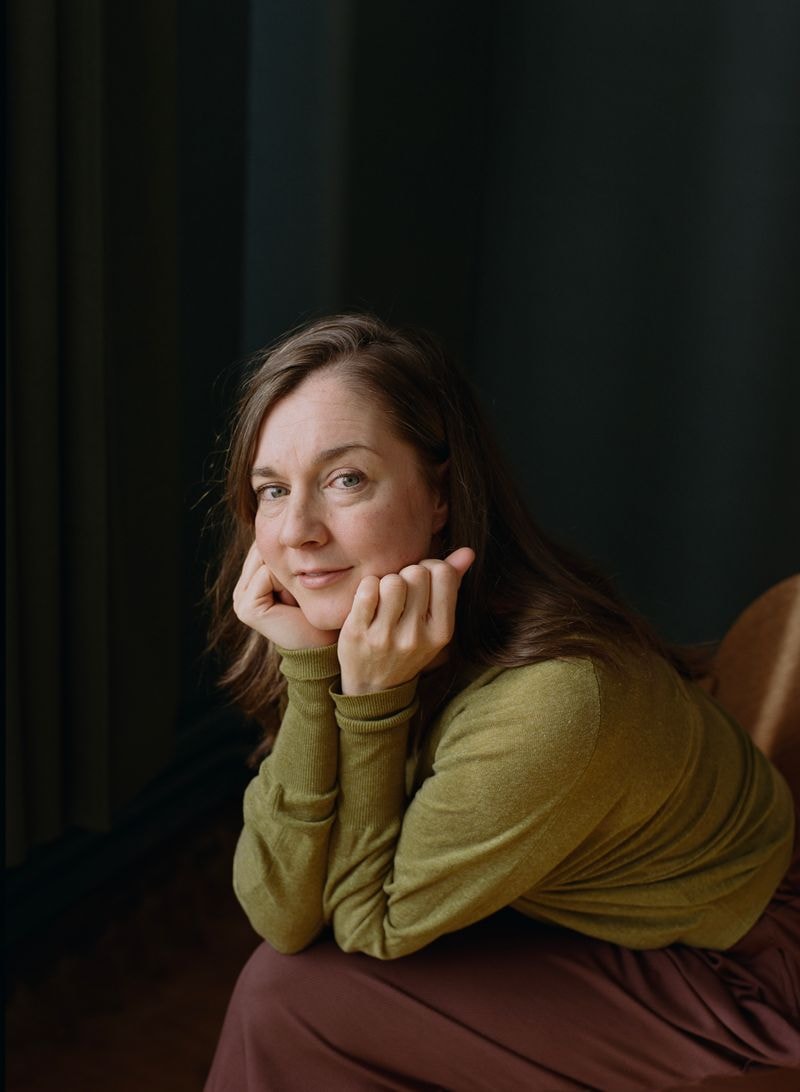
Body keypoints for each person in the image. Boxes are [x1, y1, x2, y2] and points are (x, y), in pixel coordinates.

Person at [204, 314, 798, 1091]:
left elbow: (365, 926)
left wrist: (368, 700)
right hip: (592, 924)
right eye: (273, 490)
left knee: (293, 1001)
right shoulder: (365, 637)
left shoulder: (554, 699)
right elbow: (283, 914)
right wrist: (313, 673)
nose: (298, 531)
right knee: (283, 988)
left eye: (345, 479)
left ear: (441, 491)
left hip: (738, 980)